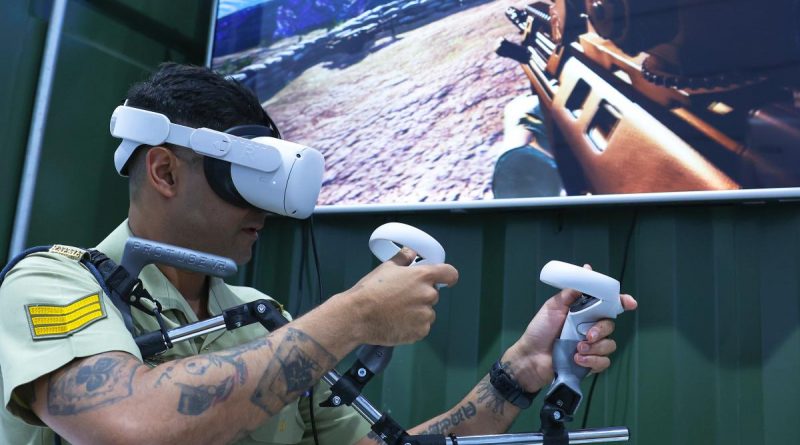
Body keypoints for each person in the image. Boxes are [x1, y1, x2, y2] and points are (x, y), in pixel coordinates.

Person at [0, 63, 637, 444]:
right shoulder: (52, 283)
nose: (267, 213)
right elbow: (130, 426)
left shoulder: (259, 314)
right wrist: (354, 315)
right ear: (164, 172)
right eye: (240, 182)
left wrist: (518, 372)